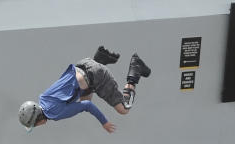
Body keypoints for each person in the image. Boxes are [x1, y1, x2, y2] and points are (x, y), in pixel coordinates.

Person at [19, 46, 151, 134]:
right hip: (82, 65)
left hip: (97, 75)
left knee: (123, 109)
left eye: (35, 125)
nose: (38, 126)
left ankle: (135, 68)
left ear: (39, 119)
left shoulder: (55, 114)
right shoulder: (43, 98)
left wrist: (104, 123)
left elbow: (87, 106)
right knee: (83, 96)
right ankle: (98, 60)